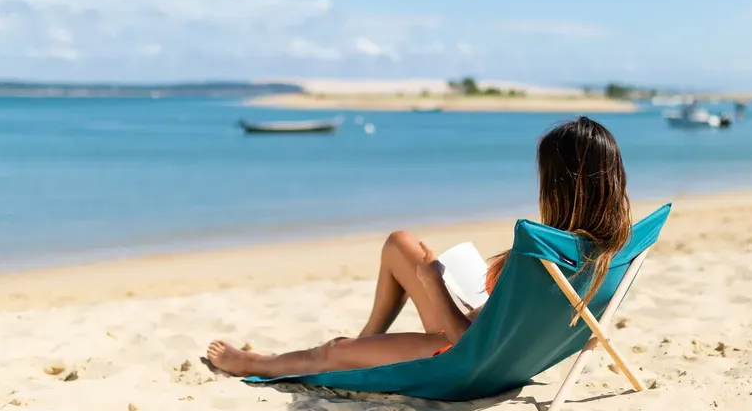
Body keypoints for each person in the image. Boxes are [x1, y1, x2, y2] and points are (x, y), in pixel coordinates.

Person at [205, 116, 632, 378]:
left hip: (471, 361)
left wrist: (432, 283)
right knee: (400, 244)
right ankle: (367, 344)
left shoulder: (541, 251)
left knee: (332, 349)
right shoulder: (612, 249)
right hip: (506, 347)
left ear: (559, 185)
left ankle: (254, 364)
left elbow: (466, 347)